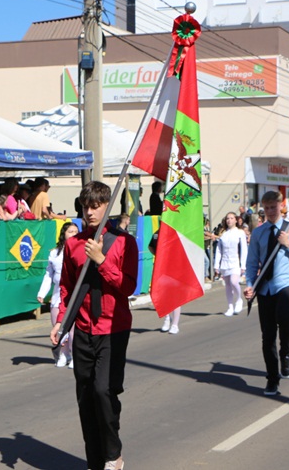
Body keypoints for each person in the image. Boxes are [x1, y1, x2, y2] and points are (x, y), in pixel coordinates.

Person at [50, 181, 138, 470]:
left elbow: (127, 286)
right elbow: (67, 288)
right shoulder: (74, 244)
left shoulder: (124, 242)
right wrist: (61, 322)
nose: (89, 211)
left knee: (104, 391)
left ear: (107, 206)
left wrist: (100, 260)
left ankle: (114, 455)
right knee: (86, 399)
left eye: (96, 205)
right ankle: (95, 462)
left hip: (114, 328)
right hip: (84, 330)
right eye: (85, 206)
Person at [243, 191, 289, 396]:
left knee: (284, 317)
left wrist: (288, 244)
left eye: (274, 207)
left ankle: (286, 353)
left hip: (285, 282)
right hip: (265, 286)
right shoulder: (259, 232)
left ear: (281, 206)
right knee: (268, 335)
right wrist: (250, 285)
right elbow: (252, 262)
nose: (271, 211)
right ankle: (272, 379)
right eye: (267, 208)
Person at [37, 222, 79, 367]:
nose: (73, 234)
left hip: (74, 296)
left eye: (75, 231)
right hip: (57, 296)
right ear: (64, 234)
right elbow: (49, 275)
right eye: (70, 231)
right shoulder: (55, 253)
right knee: (58, 327)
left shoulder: (81, 251)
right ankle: (63, 354)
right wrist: (42, 293)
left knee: (73, 330)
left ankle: (75, 356)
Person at [215, 212, 248, 316]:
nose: (229, 220)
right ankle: (230, 306)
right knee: (228, 285)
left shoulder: (240, 232)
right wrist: (216, 265)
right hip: (225, 262)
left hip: (235, 262)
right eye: (227, 218)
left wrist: (243, 265)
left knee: (234, 282)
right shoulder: (223, 234)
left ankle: (239, 299)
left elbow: (244, 249)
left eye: (231, 218)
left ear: (235, 220)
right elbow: (219, 250)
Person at [149, 228, 181, 334]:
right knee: (164, 295)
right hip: (161, 268)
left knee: (175, 296)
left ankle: (175, 324)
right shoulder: (156, 234)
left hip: (174, 267)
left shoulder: (175, 232)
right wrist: (158, 256)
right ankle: (167, 318)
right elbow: (150, 246)